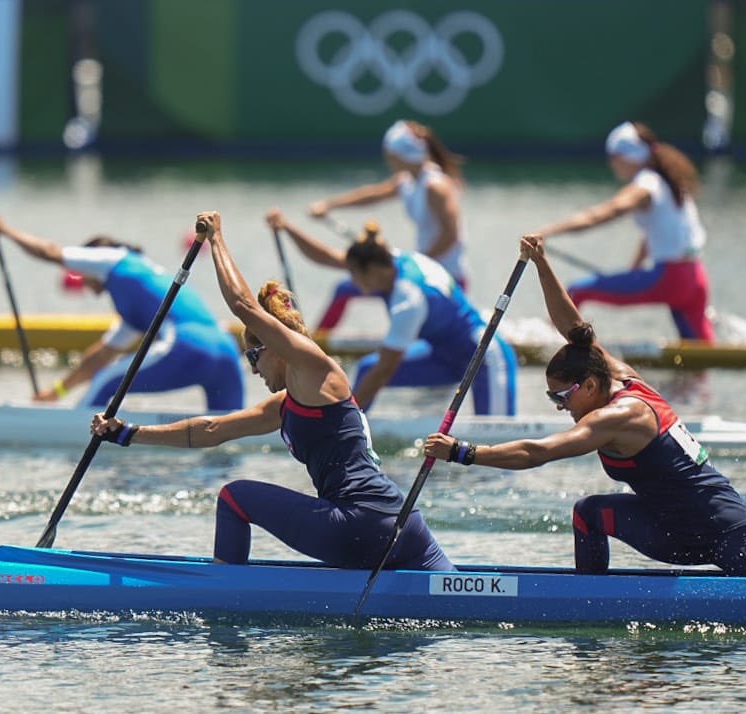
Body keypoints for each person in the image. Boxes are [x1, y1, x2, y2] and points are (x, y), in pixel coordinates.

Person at [91, 210, 453, 571]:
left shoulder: (315, 368)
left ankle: (223, 590)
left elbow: (243, 306)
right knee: (458, 592)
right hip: (405, 524)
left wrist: (217, 238)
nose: (252, 369)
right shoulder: (287, 402)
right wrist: (127, 433)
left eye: (253, 356)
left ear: (273, 348)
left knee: (234, 497)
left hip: (355, 523)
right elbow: (211, 430)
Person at [423, 235, 746, 578]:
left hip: (727, 531)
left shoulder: (619, 416)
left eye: (562, 397)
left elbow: (538, 452)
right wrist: (541, 263)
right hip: (673, 531)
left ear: (589, 386)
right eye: (552, 398)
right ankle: (589, 599)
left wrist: (462, 452)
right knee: (590, 513)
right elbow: (574, 328)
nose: (560, 407)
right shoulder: (611, 374)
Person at [266, 209, 516, 416]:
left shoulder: (408, 299)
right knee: (367, 368)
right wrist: (287, 227)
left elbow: (384, 371)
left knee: (496, 448)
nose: (352, 281)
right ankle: (353, 425)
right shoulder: (391, 259)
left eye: (354, 274)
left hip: (484, 357)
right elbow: (328, 257)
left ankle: (347, 421)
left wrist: (343, 420)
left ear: (372, 271)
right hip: (443, 356)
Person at [0, 214, 244, 410]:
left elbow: (51, 252)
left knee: (106, 382)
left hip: (188, 343)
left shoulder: (112, 259)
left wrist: (6, 231)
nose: (81, 279)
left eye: (81, 272)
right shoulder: (137, 297)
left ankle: (78, 433)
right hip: (227, 350)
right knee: (228, 432)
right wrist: (56, 392)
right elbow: (102, 356)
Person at [533, 121, 715, 343]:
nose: (611, 163)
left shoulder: (646, 185)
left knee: (576, 291)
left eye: (614, 157)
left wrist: (545, 232)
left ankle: (553, 346)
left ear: (630, 157)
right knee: (701, 348)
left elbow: (603, 213)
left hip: (669, 279)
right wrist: (635, 270)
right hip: (696, 278)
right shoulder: (668, 183)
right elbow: (656, 234)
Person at [308, 119, 469, 331]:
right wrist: (330, 205)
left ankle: (314, 343)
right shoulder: (407, 181)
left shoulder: (436, 187)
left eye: (389, 155)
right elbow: (372, 195)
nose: (387, 160)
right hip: (422, 273)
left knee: (346, 289)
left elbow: (451, 235)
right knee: (344, 289)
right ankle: (318, 341)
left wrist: (418, 263)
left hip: (446, 278)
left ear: (400, 156)